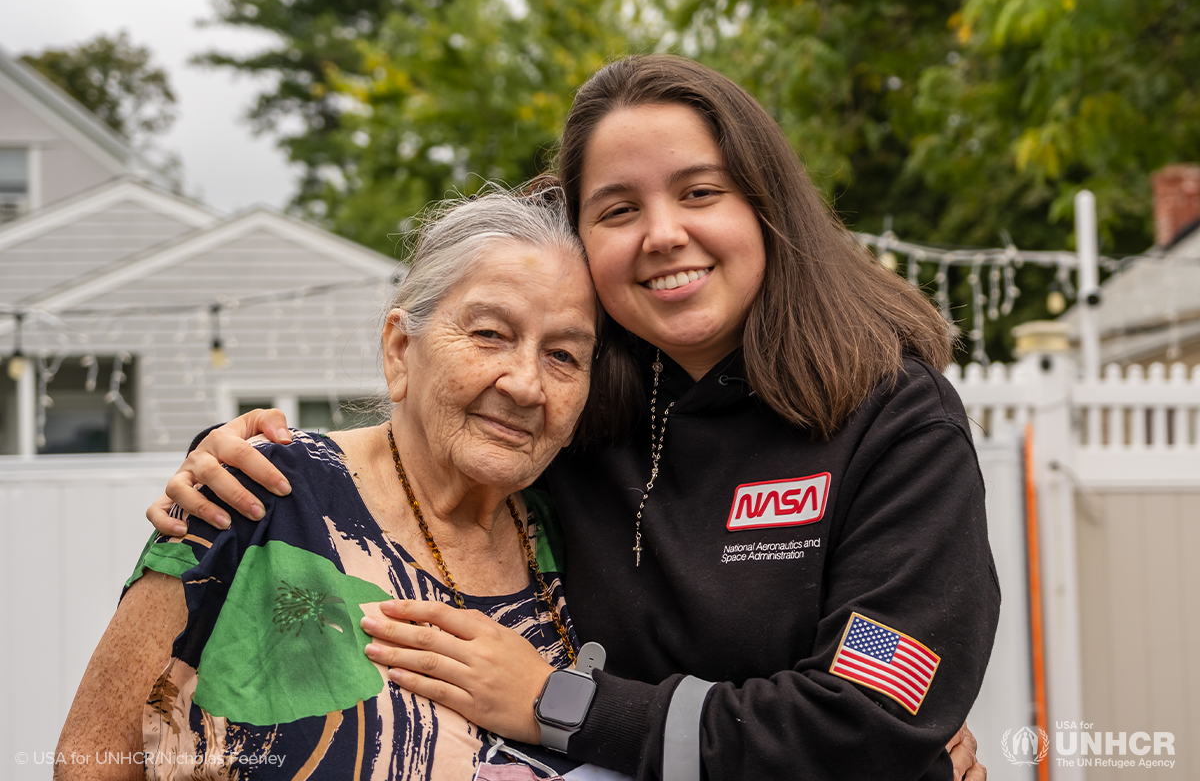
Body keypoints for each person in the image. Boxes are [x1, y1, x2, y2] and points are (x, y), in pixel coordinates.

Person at [148, 55, 1000, 780]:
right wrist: (233, 460)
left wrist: (560, 704)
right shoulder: (576, 415)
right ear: (584, 242)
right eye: (619, 209)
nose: (663, 234)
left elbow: (869, 722)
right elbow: (422, 446)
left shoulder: (893, 422)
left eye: (700, 191)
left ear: (766, 206)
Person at [57, 188, 608, 779]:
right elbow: (92, 760)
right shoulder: (252, 491)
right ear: (400, 350)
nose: (526, 384)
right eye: (490, 334)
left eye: (563, 356)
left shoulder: (577, 534)